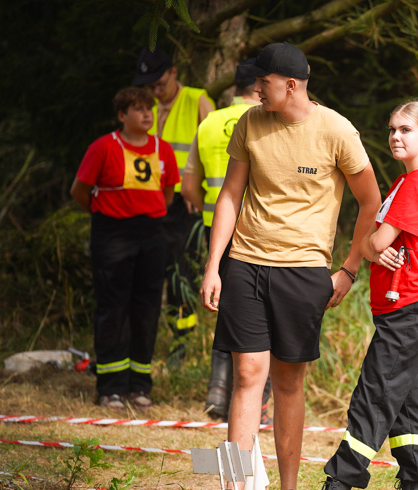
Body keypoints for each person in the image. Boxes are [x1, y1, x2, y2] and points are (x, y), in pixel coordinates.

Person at [196, 43, 382, 490]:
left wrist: (348, 268)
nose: (256, 89)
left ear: (291, 85)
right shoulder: (249, 123)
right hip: (246, 264)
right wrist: (214, 265)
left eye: (264, 82)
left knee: (288, 381)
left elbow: (371, 201)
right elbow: (231, 195)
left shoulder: (337, 131)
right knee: (245, 376)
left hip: (304, 271)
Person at [289, 100, 418, 490]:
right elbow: (376, 244)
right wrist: (374, 245)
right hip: (407, 305)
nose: (396, 136)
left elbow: (375, 243)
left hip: (409, 304)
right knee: (408, 401)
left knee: (373, 396)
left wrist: (373, 245)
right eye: (392, 128)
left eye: (406, 130)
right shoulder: (414, 178)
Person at [70, 87, 179, 409]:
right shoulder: (103, 147)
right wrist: (107, 216)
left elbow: (168, 194)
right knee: (113, 308)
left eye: (150, 108)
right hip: (112, 233)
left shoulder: (164, 149)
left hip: (151, 233)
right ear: (122, 116)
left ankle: (139, 384)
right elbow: (80, 190)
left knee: (146, 309)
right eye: (138, 109)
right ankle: (111, 388)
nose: (147, 114)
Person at [180, 59, 272, 424]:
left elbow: (189, 185)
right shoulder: (267, 121)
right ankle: (259, 404)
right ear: (258, 87)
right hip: (259, 232)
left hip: (213, 226)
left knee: (226, 308)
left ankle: (217, 389)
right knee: (259, 315)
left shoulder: (209, 122)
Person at [134, 47, 215, 355]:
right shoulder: (144, 107)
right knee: (152, 270)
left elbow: (215, 150)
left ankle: (182, 343)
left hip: (185, 204)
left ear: (174, 73)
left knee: (182, 273)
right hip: (149, 201)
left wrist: (198, 193)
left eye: (159, 83)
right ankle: (148, 339)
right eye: (149, 86)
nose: (155, 91)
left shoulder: (197, 100)